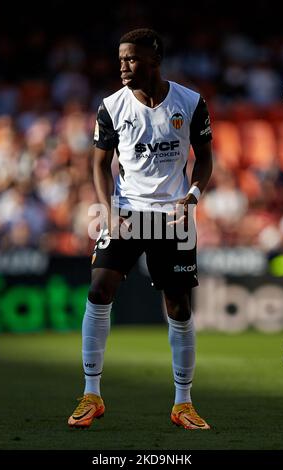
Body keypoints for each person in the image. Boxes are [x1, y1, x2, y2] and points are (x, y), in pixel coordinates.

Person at [68, 28, 213, 430]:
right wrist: (106, 208)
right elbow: (99, 163)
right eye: (120, 60)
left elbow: (205, 159)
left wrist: (195, 194)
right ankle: (91, 394)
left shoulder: (191, 102)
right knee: (99, 290)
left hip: (174, 217)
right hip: (126, 212)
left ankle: (183, 403)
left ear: (154, 59)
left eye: (130, 59)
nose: (123, 66)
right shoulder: (111, 107)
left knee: (179, 308)